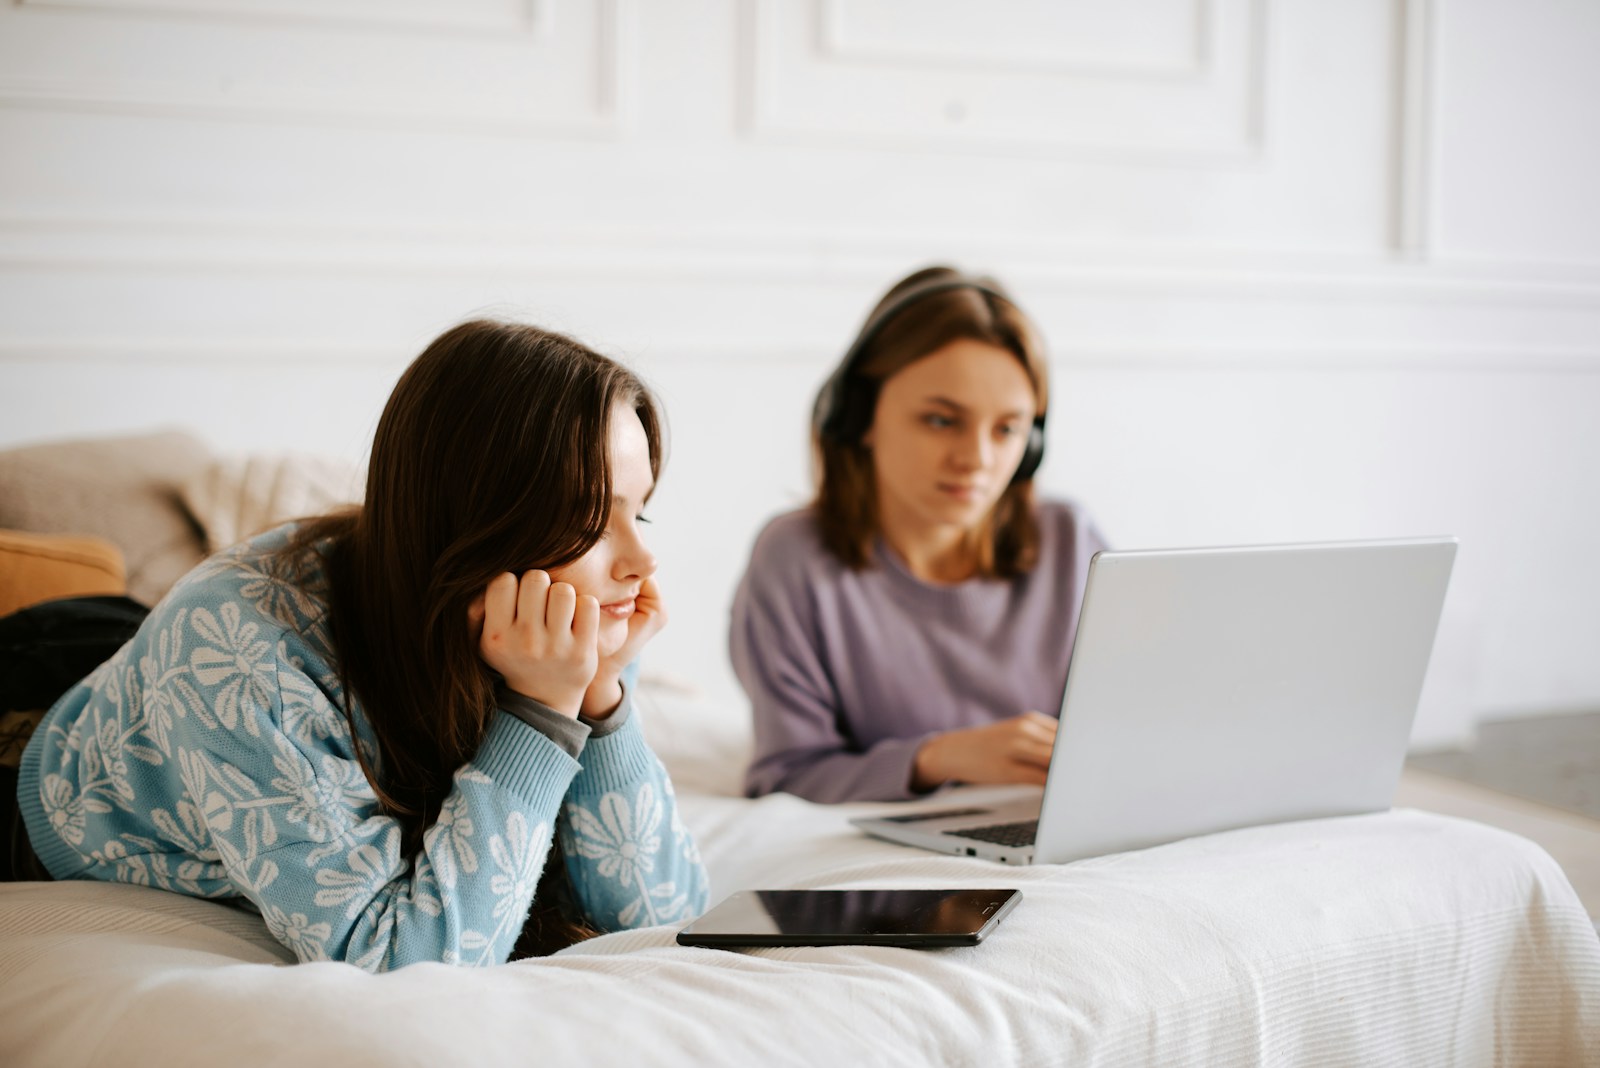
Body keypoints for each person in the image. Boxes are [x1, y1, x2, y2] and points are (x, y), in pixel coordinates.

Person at [11, 319, 708, 968]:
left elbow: (660, 917)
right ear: (481, 525)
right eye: (591, 519)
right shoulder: (237, 656)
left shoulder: (568, 618)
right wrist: (540, 712)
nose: (642, 561)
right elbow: (402, 959)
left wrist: (600, 698)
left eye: (640, 510)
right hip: (38, 741)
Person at [731, 266, 1109, 804]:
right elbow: (785, 777)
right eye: (940, 420)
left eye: (1007, 430)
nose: (976, 460)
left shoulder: (1072, 539)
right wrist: (939, 757)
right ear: (860, 417)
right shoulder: (795, 560)